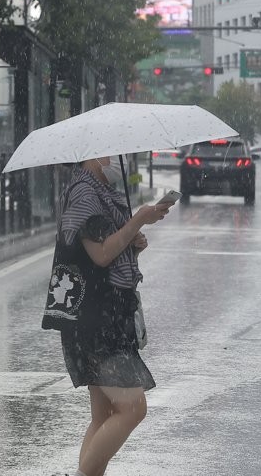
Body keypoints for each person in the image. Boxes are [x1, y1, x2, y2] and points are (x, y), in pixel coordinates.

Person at [44, 156, 174, 476]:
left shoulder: (104, 193)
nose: (122, 160)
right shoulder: (85, 194)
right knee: (132, 409)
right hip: (94, 319)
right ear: (94, 156)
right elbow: (100, 255)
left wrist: (133, 242)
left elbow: (107, 250)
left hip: (109, 315)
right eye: (115, 153)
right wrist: (138, 221)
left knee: (103, 416)